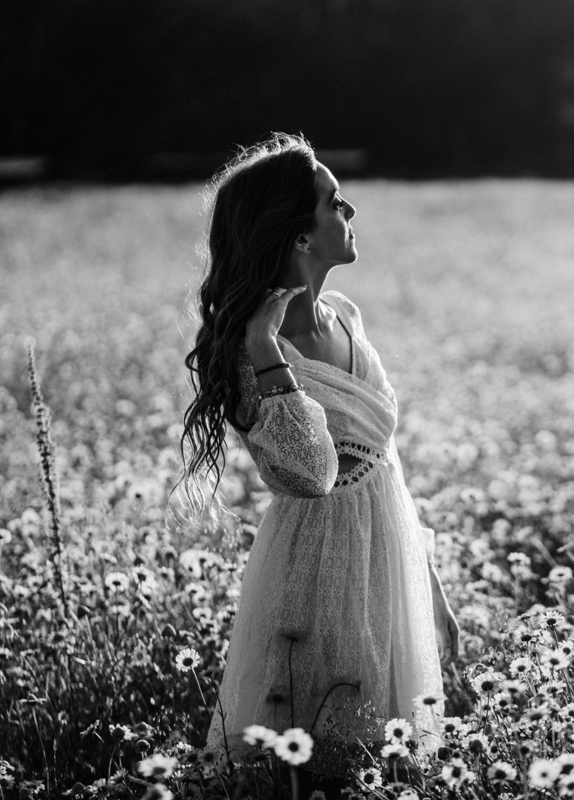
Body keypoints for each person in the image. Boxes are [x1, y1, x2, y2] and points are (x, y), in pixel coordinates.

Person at [180, 133, 460, 785]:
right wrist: (265, 348)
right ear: (301, 236)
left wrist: (430, 589)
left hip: (388, 554)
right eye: (336, 202)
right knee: (320, 763)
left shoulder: (347, 316)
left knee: (388, 764)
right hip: (316, 572)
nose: (351, 211)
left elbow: (384, 461)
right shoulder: (250, 352)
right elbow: (312, 473)